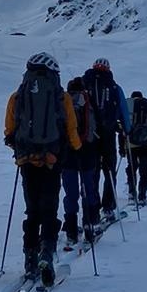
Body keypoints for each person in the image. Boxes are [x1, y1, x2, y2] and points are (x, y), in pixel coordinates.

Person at [4, 52, 80, 286]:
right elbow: (71, 129)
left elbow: (9, 129)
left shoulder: (17, 96)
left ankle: (30, 258)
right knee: (49, 209)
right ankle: (46, 253)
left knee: (32, 211)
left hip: (26, 160)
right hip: (51, 160)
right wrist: (75, 149)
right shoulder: (62, 97)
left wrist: (17, 146)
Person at [80, 57, 131, 221]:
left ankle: (92, 209)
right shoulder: (114, 87)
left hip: (89, 136)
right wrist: (127, 130)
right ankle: (108, 207)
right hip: (108, 134)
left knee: (92, 172)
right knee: (109, 171)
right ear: (108, 69)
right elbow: (123, 110)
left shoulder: (83, 84)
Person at [61, 76, 102, 247]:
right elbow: (98, 125)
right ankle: (89, 225)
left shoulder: (63, 102)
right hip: (88, 152)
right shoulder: (88, 101)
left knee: (71, 193)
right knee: (88, 189)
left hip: (67, 154)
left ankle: (71, 230)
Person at [124, 89, 147, 204]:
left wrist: (122, 146)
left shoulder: (127, 109)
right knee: (144, 168)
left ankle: (131, 193)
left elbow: (121, 127)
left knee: (132, 167)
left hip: (130, 144)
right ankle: (142, 194)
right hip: (145, 144)